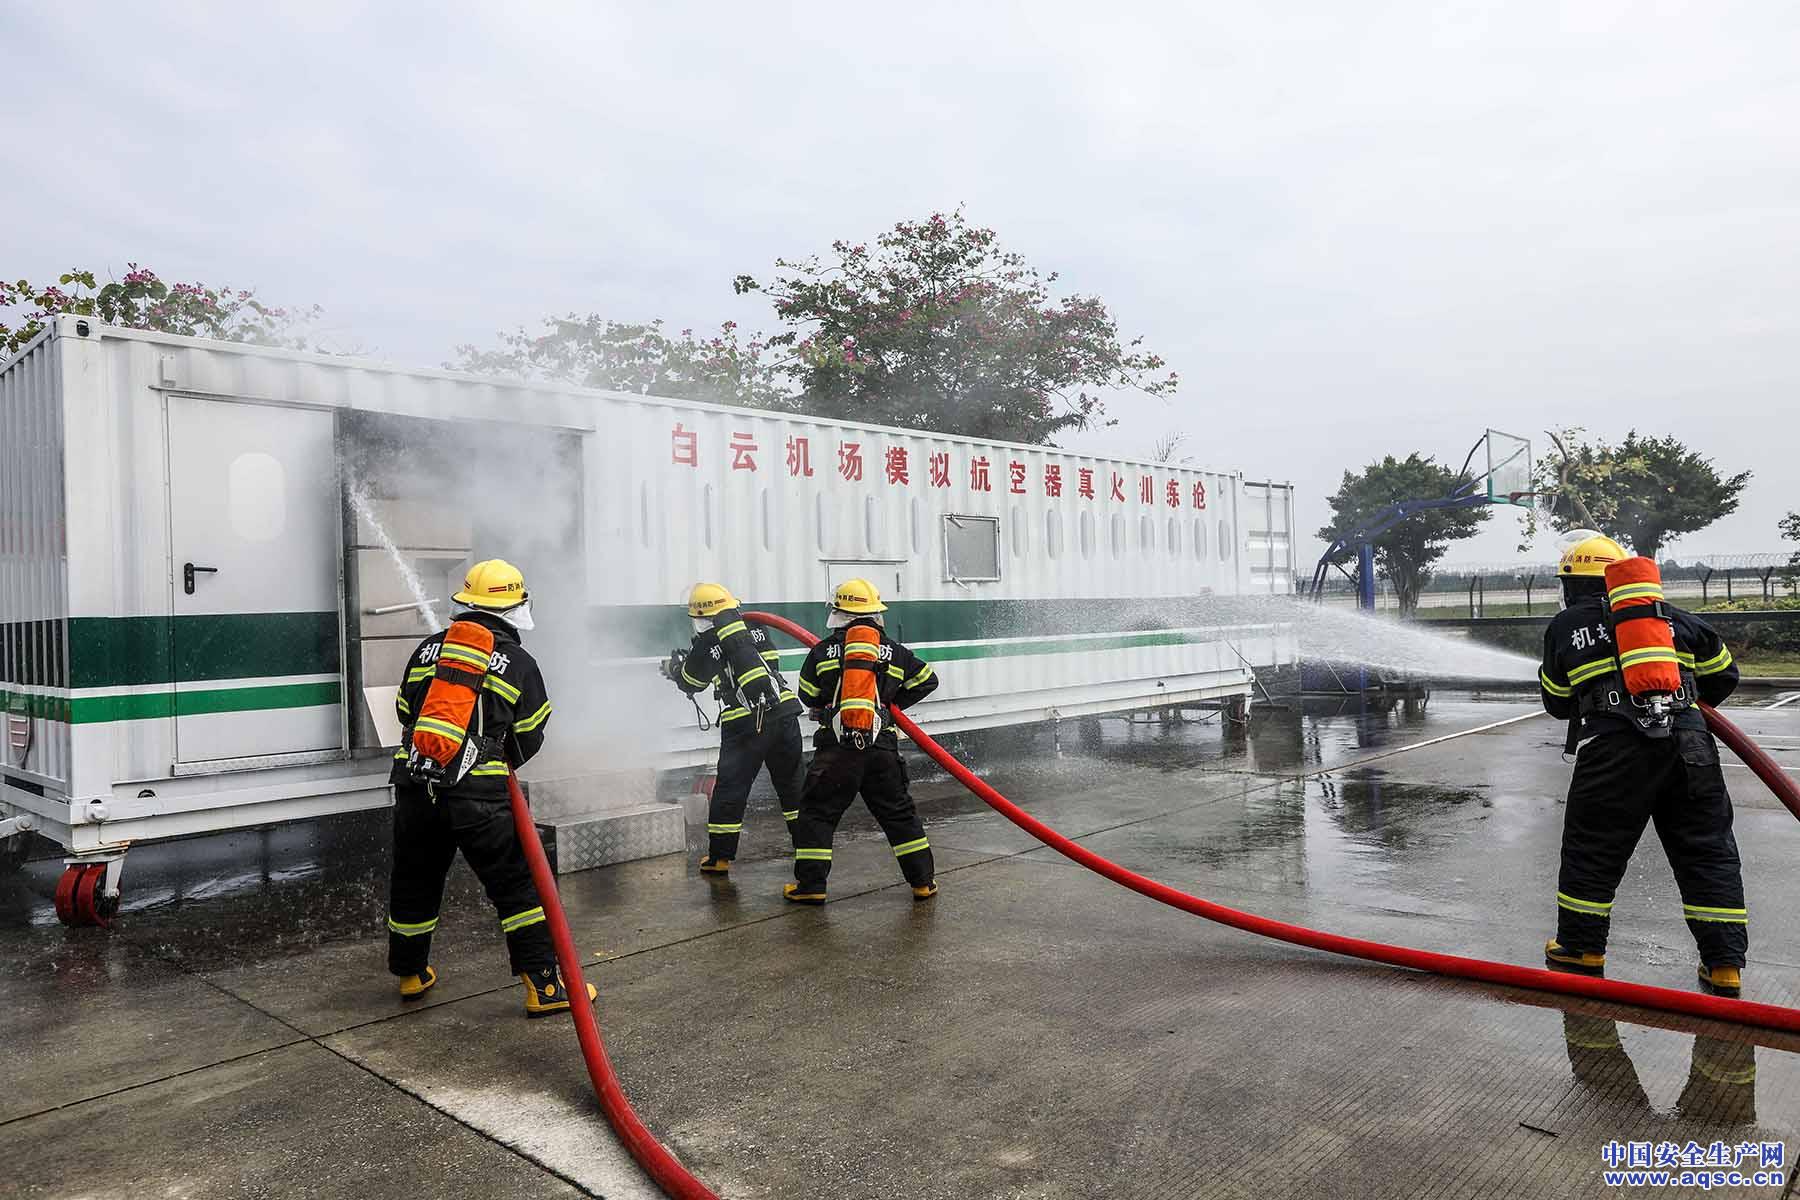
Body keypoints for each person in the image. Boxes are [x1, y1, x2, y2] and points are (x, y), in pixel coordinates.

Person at [1537, 534, 1745, 995]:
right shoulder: (1674, 619)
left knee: (1592, 850)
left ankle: (1581, 948)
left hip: (1612, 749)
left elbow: (1555, 701)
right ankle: (1724, 963)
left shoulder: (1566, 627)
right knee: (1707, 851)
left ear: (1573, 585)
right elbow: (1725, 676)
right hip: (1691, 747)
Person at [385, 559, 594, 1016]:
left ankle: (410, 973)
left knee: (415, 880)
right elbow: (533, 729)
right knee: (517, 886)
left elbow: (405, 711)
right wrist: (496, 759)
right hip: (478, 795)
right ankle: (545, 986)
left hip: (417, 785)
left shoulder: (425, 650)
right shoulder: (518, 661)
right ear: (513, 606)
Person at [785, 578, 939, 904]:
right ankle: (922, 882)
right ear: (875, 613)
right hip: (881, 748)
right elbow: (928, 680)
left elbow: (807, 695)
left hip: (836, 750)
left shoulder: (822, 650)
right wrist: (888, 708)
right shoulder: (895, 652)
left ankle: (811, 887)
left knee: (816, 814)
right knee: (898, 814)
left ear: (839, 613)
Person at [661, 583, 805, 873]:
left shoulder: (708, 641)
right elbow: (771, 662)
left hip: (745, 722)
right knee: (793, 787)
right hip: (785, 712)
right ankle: (807, 849)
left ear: (702, 615)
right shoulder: (754, 626)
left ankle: (720, 858)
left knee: (731, 789)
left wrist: (675, 669)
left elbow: (693, 681)